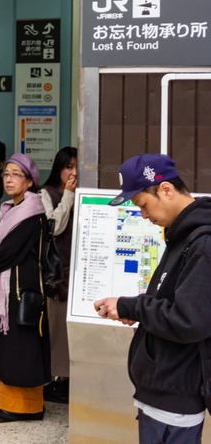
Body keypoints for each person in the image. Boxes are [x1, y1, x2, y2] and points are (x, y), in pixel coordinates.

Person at [94, 154, 211, 444]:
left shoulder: (203, 242)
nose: (144, 216)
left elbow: (189, 320)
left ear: (166, 190)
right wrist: (138, 309)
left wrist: (131, 305)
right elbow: (174, 299)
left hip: (176, 392)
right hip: (163, 387)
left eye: (143, 205)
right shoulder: (181, 235)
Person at [0, 153, 50, 421]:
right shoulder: (11, 208)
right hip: (11, 287)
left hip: (20, 288)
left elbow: (9, 251)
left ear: (30, 182)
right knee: (9, 345)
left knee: (21, 346)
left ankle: (25, 407)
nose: (9, 179)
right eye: (6, 174)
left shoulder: (31, 212)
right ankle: (10, 402)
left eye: (16, 175)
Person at [40, 147, 77, 404]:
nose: (73, 172)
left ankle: (70, 379)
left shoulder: (84, 193)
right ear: (58, 169)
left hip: (80, 270)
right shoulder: (47, 193)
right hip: (58, 273)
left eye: (77, 167)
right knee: (57, 326)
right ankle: (59, 379)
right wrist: (68, 196)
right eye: (68, 167)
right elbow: (53, 227)